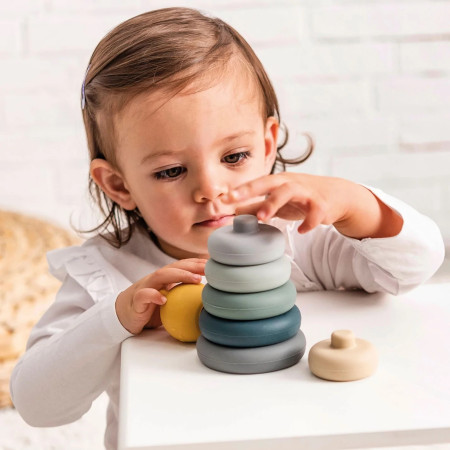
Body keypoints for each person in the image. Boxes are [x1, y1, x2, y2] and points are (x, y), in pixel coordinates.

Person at [10, 7, 444, 450]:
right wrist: (115, 319)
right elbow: (38, 407)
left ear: (268, 144)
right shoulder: (106, 276)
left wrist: (354, 205)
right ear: (120, 185)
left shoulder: (302, 239)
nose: (210, 189)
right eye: (172, 170)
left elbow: (416, 265)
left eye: (234, 157)